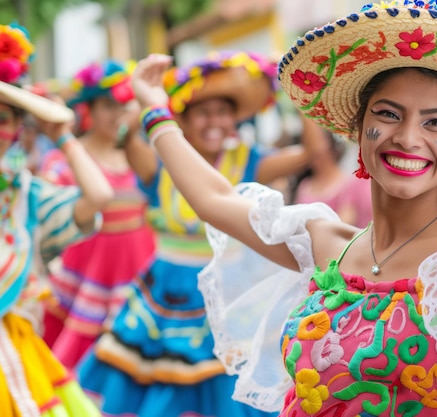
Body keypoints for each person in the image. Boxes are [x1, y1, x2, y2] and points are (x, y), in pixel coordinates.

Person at [128, 2, 437, 416]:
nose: (408, 138)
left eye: (435, 123)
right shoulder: (327, 244)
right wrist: (154, 109)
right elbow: (214, 200)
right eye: (388, 114)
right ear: (357, 127)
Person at [77, 51, 322, 417]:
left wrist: (301, 91)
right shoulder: (158, 165)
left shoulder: (250, 161)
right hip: (167, 296)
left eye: (223, 111)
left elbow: (314, 152)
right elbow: (126, 136)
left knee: (227, 392)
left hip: (232, 296)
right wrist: (145, 99)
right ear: (183, 120)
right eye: (203, 112)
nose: (214, 121)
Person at [0, 22, 113, 416]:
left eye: (3, 119)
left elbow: (99, 197)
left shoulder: (25, 195)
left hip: (12, 353)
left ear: (16, 130)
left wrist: (62, 135)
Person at [41, 59, 155, 369]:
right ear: (87, 109)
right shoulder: (63, 160)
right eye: (108, 104)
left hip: (141, 272)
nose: (118, 113)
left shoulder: (143, 156)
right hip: (86, 278)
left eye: (124, 104)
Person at [291, 129, 372, 227]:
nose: (312, 153)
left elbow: (345, 225)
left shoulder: (349, 183)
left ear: (330, 145)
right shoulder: (304, 185)